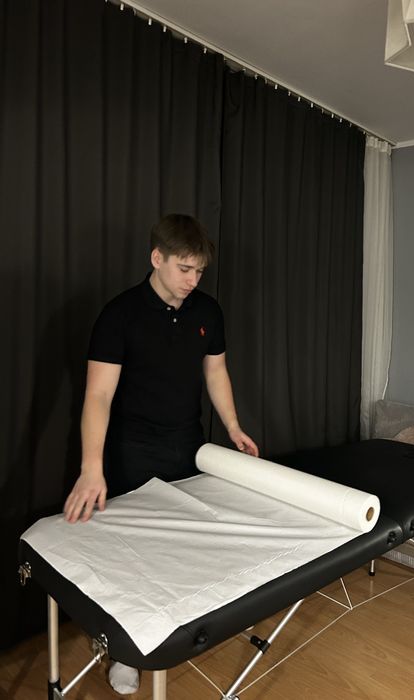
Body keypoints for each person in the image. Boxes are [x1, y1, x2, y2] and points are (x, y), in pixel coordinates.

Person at [63, 213, 258, 694]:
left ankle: (169, 634)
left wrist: (233, 427)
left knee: (179, 548)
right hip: (131, 448)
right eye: (184, 269)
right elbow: (98, 396)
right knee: (130, 556)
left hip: (188, 444)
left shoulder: (207, 312)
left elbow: (216, 372)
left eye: (199, 272)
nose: (193, 281)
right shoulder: (120, 314)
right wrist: (92, 468)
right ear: (157, 258)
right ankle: (124, 652)